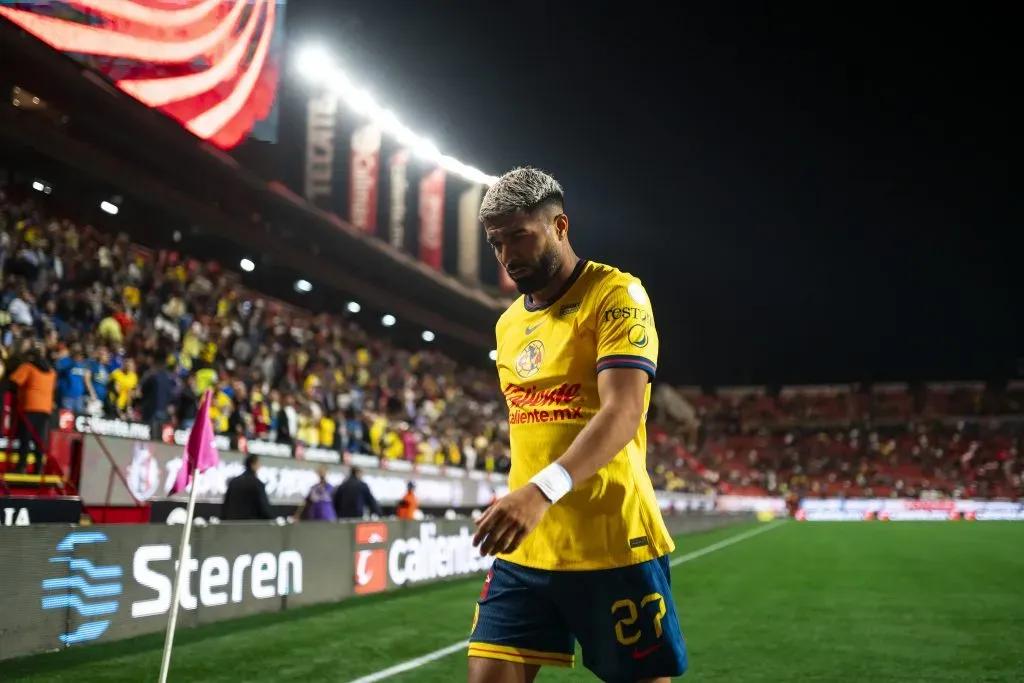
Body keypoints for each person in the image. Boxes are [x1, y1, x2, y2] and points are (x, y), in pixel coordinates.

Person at [468, 167, 687, 682]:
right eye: (496, 242)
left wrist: (540, 490)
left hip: (612, 543)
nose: (507, 255)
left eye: (519, 236)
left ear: (560, 226)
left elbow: (623, 411)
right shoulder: (508, 324)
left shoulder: (616, 295)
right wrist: (528, 499)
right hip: (528, 546)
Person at [7, 346, 56, 473]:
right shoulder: (51, 372)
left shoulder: (28, 367)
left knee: (25, 438)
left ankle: (21, 467)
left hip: (30, 406)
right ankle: (39, 468)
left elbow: (13, 382)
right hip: (45, 409)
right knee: (39, 441)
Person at [221, 454, 274, 520]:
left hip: (231, 525)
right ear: (253, 465)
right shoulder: (257, 484)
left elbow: (225, 506)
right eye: (258, 464)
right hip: (250, 527)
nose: (260, 466)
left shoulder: (233, 482)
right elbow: (265, 509)